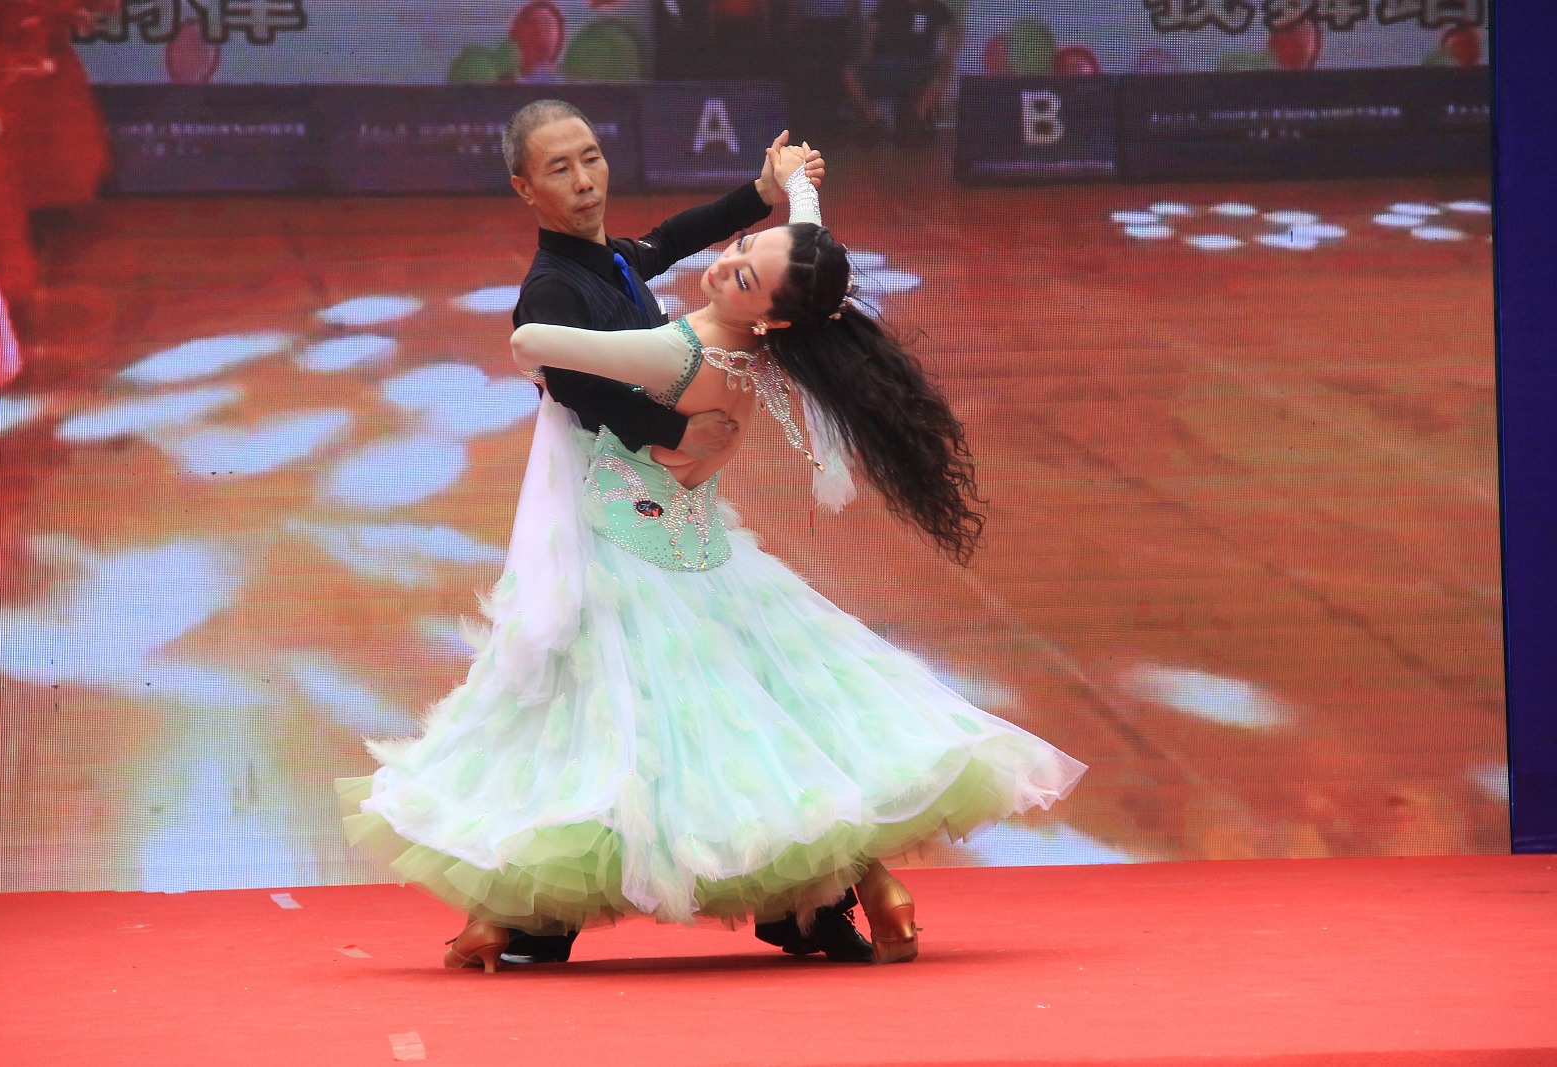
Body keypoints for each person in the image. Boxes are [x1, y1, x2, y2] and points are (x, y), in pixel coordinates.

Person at [338, 146, 1086, 970]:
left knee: (597, 723)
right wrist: (785, 190)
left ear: (774, 313)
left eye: (743, 273)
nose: (726, 263)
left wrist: (597, 386)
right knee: (772, 716)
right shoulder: (771, 336)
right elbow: (780, 250)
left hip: (624, 552)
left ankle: (516, 914)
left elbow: (532, 344)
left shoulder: (675, 350)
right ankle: (850, 891)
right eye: (739, 248)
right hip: (706, 551)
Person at [842, 0, 958, 141]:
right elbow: (870, 35)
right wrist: (868, 56)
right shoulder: (888, 5)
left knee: (945, 68)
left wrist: (945, 57)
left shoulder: (936, 8)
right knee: (850, 72)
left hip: (918, 68)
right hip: (885, 66)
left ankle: (918, 118)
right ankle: (873, 120)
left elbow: (952, 35)